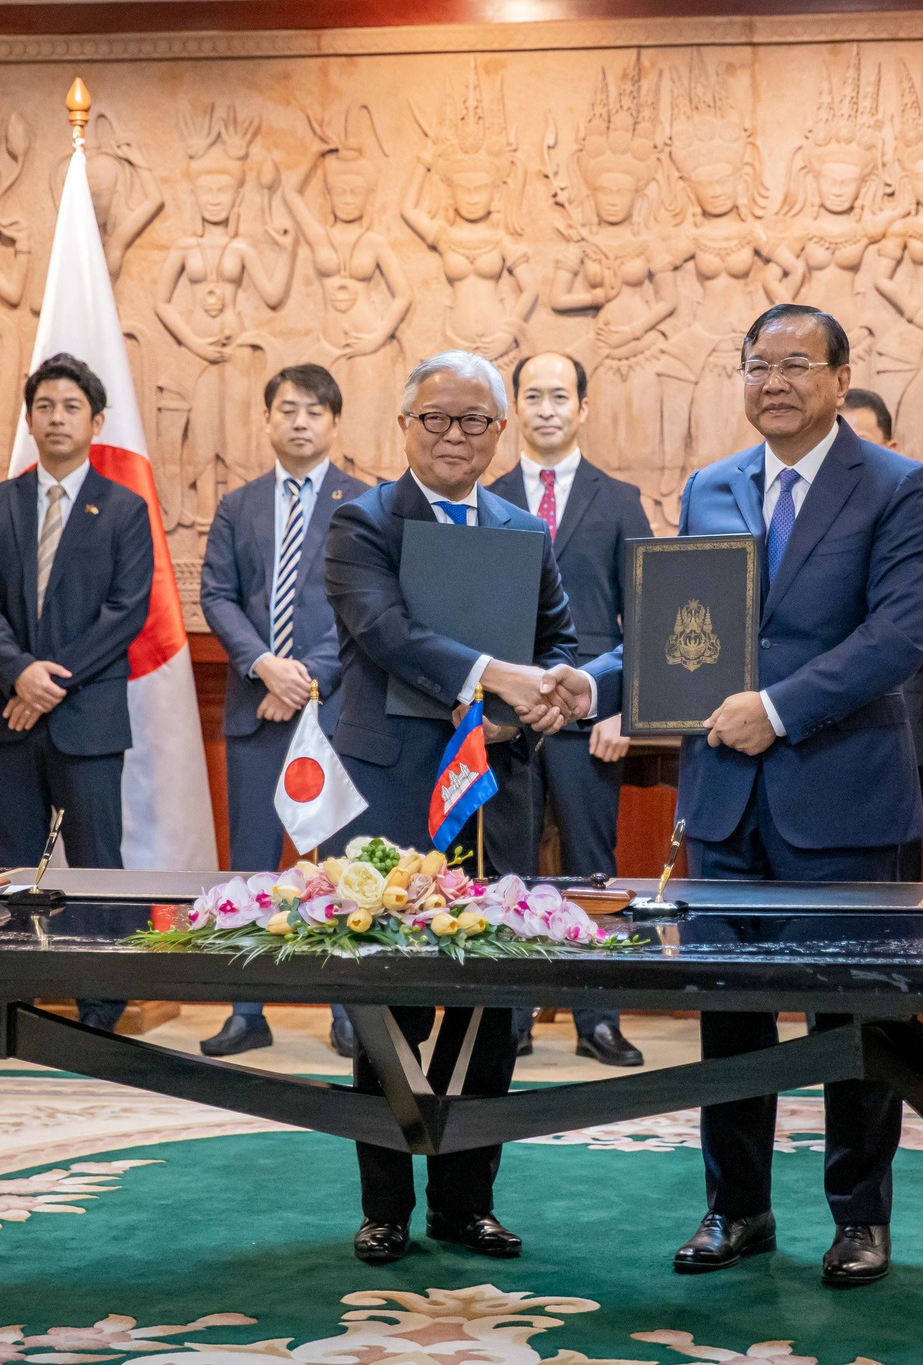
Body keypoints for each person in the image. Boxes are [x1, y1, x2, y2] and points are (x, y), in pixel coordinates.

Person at [551, 304, 923, 1289]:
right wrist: (592, 685)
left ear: (841, 378)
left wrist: (778, 707)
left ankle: (859, 1217)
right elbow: (678, 628)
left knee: (851, 1018)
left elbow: (899, 635)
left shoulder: (896, 486)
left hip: (844, 800)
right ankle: (737, 1208)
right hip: (725, 797)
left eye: (796, 364)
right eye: (757, 365)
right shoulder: (712, 485)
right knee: (728, 1013)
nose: (774, 381)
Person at [322, 349, 579, 1265]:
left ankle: (465, 1203)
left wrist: (543, 698)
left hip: (493, 789)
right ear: (404, 425)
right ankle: (385, 1206)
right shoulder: (362, 521)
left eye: (474, 420)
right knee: (391, 998)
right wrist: (496, 676)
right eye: (435, 417)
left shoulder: (523, 528)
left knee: (488, 1002)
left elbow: (560, 638)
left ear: (500, 432)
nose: (454, 435)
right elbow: (386, 633)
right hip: (394, 785)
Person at [0, 352, 154, 1034]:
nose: (57, 418)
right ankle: (17, 1001)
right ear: (29, 418)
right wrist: (19, 672)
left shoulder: (125, 509)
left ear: (96, 421)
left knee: (98, 864)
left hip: (87, 719)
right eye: (45, 406)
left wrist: (46, 683)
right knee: (16, 866)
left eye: (72, 407)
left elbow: (126, 611)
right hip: (7, 715)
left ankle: (101, 1003)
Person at [196, 364, 369, 1058]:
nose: (300, 421)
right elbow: (216, 595)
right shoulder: (238, 505)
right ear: (267, 419)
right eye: (288, 409)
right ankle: (247, 1010)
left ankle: (349, 1011)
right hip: (255, 707)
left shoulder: (365, 504)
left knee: (340, 867)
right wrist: (263, 664)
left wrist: (303, 677)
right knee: (252, 867)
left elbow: (365, 604)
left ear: (335, 423)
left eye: (314, 411)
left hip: (336, 712)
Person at [489, 351, 654, 1068]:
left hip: (592, 715)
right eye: (534, 396)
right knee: (508, 871)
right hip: (505, 714)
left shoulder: (619, 499)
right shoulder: (486, 496)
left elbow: (645, 613)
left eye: (560, 396)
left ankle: (598, 1018)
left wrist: (624, 709)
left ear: (583, 408)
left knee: (593, 871)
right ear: (514, 409)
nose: (547, 408)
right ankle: (510, 1018)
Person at [838, 387, 923, 881]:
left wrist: (887, 617)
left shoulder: (921, 519)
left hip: (900, 721)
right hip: (819, 726)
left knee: (897, 881)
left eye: (864, 442)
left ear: (891, 445)